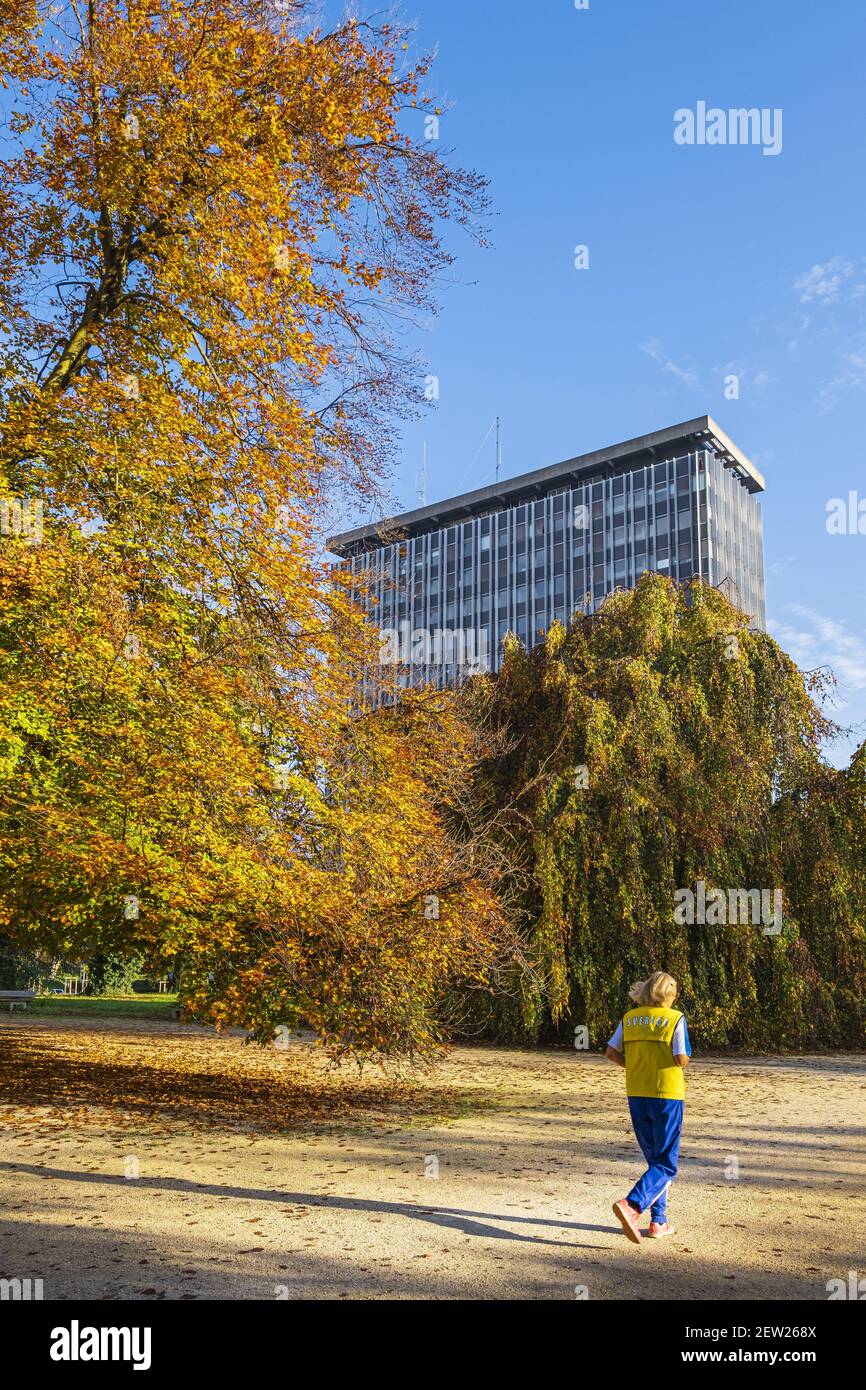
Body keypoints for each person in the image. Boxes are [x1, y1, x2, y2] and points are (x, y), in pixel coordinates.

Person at [605, 970, 691, 1244]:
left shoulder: (629, 1018)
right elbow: (681, 1058)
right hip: (666, 1093)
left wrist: (636, 1064)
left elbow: (611, 1052)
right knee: (666, 1164)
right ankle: (632, 1205)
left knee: (656, 1160)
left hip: (636, 1092)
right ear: (668, 994)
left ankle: (659, 1221)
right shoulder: (674, 1018)